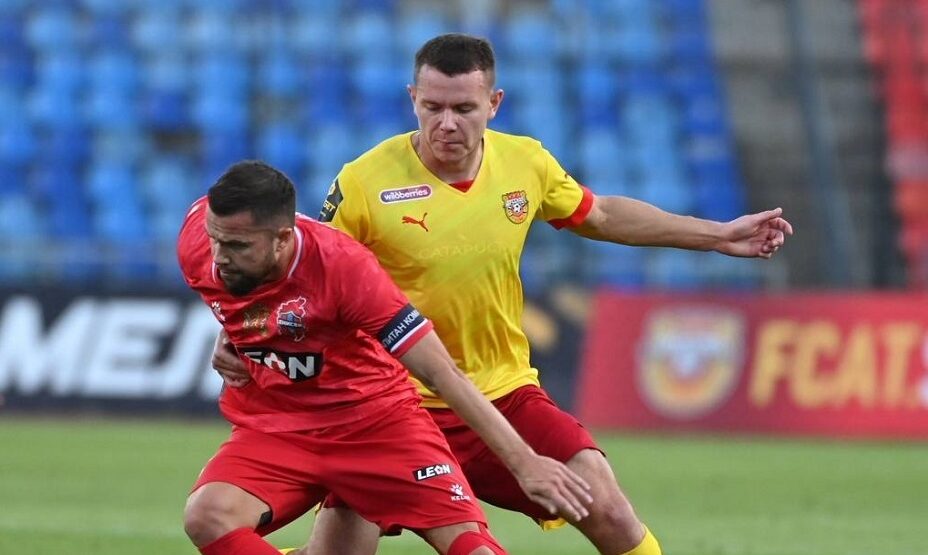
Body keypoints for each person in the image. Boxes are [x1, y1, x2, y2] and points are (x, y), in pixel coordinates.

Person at [213, 34, 793, 555]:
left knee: (609, 510)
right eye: (432, 107)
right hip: (388, 409)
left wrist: (717, 235)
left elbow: (601, 215)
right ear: (412, 98)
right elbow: (301, 277)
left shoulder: (525, 163)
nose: (447, 123)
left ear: (494, 103)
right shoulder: (363, 183)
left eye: (464, 108)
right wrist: (238, 334)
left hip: (503, 392)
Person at [178, 160, 594, 555]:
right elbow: (247, 303)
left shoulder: (345, 269)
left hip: (375, 422)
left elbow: (440, 372)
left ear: (283, 239)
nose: (219, 256)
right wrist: (235, 335)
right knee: (208, 514)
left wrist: (523, 462)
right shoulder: (198, 241)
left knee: (472, 546)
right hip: (279, 425)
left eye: (237, 246)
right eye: (216, 239)